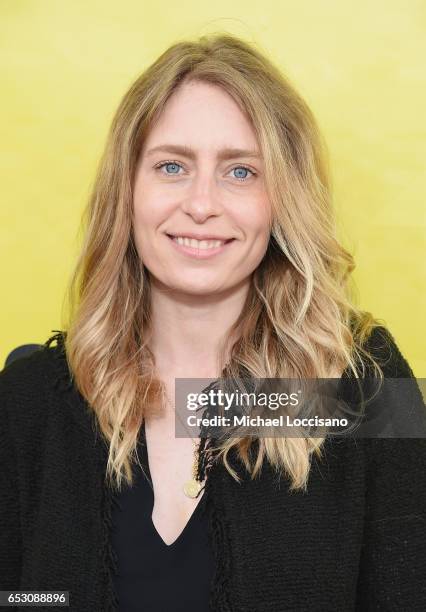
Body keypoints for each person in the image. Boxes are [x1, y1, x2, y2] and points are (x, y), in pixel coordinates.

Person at [1, 33, 425, 612]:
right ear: (127, 190)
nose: (202, 203)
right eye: (172, 166)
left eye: (241, 172)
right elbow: (23, 597)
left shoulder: (361, 391)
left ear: (284, 199)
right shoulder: (30, 402)